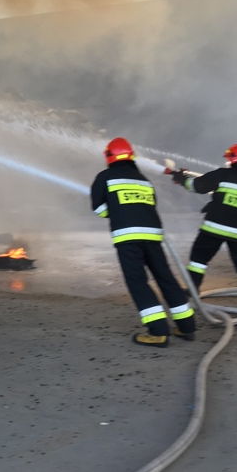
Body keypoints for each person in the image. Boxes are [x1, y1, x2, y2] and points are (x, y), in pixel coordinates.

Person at [90, 137, 196, 347]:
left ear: (109, 157)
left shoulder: (105, 177)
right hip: (153, 235)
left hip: (128, 237)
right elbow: (150, 204)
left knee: (137, 281)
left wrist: (118, 212)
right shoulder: (143, 179)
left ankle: (158, 331)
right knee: (165, 277)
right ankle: (187, 326)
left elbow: (99, 208)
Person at [169, 143, 237, 308]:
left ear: (233, 159)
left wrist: (181, 178)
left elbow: (196, 186)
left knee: (199, 260)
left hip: (214, 228)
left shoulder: (223, 174)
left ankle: (192, 290)